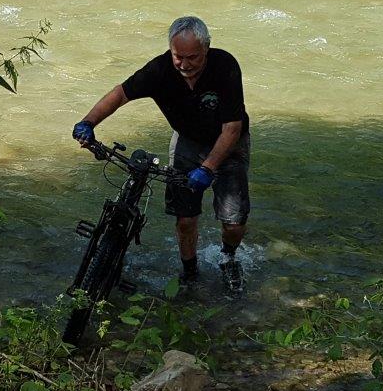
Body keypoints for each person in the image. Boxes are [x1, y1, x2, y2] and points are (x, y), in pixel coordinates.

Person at [72, 16, 250, 291]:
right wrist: (88, 122)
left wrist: (208, 167)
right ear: (170, 49)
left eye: (193, 57)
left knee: (233, 221)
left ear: (207, 49)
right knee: (185, 219)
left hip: (228, 144)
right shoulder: (160, 70)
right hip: (187, 142)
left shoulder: (224, 66)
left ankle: (228, 256)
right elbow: (120, 94)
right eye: (179, 56)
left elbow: (232, 128)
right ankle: (190, 271)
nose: (185, 64)